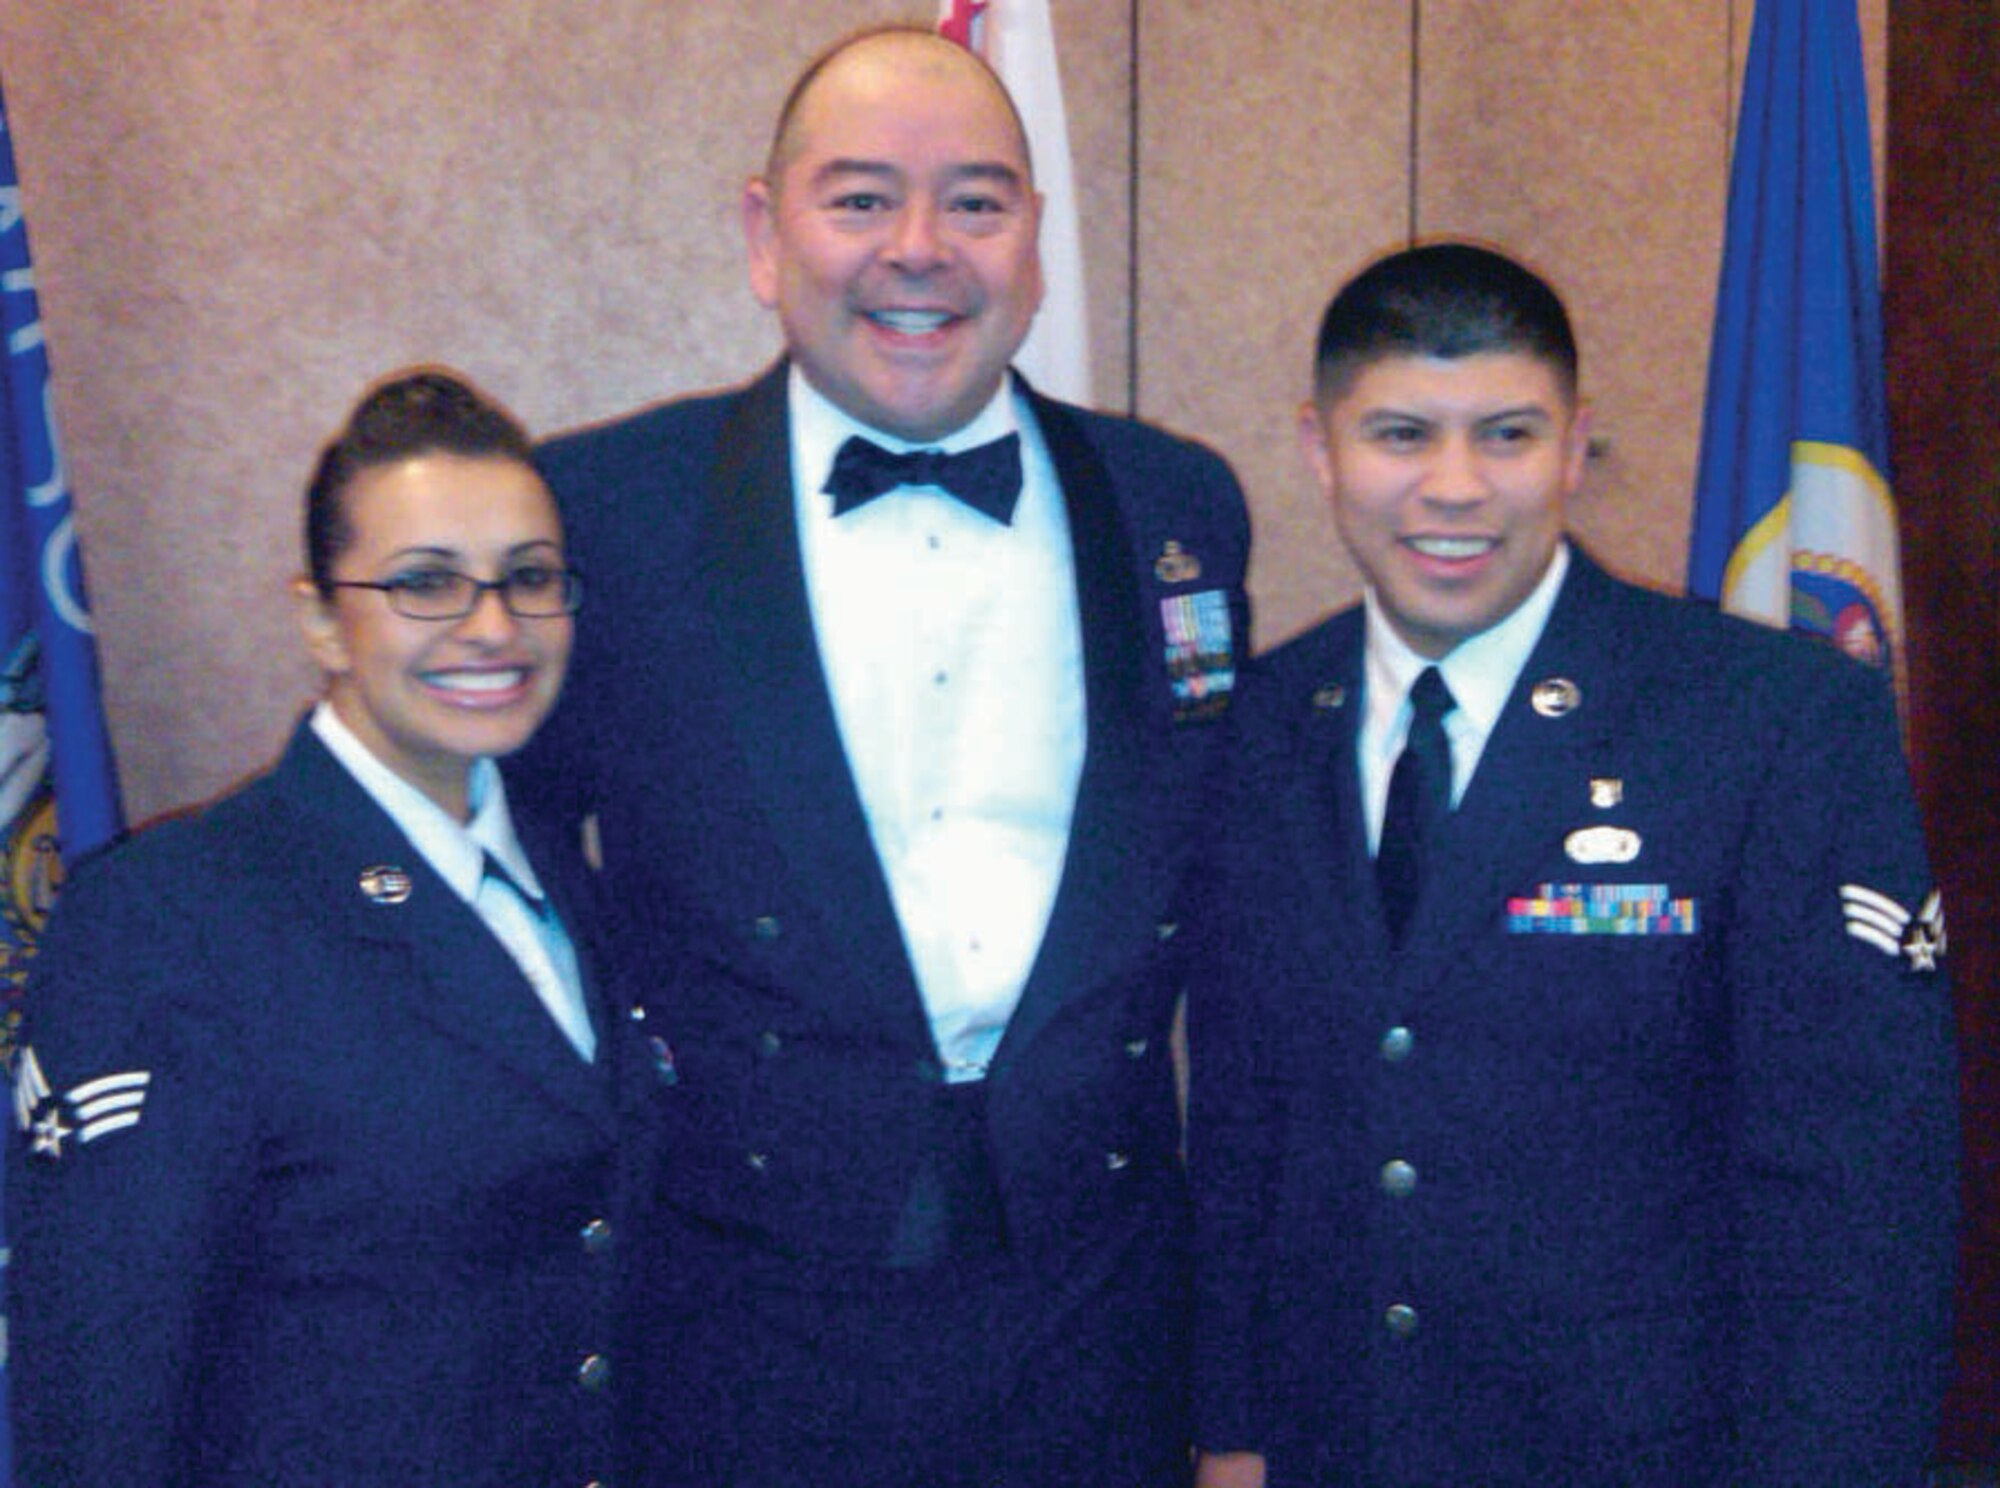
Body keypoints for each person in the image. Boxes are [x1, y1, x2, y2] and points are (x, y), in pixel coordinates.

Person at [517, 24, 1250, 1488]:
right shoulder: (603, 512)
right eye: (859, 200)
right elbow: (526, 894)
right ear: (763, 231)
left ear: (1034, 238)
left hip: (1096, 1318)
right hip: (740, 1322)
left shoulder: (1178, 504)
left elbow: (1222, 909)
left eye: (975, 202)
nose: (919, 250)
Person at [1186, 242, 1958, 1486]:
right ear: (1319, 448)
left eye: (1505, 435)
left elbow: (1861, 1199)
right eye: (1398, 435)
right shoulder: (1268, 720)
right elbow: (1240, 1131)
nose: (1452, 488)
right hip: (1341, 1446)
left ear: (1573, 443)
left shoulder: (1766, 721)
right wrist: (1231, 1432)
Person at [5, 370, 659, 1485]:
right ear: (321, 617)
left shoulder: (565, 862)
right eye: (425, 583)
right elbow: (100, 1376)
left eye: (528, 578)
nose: (491, 625)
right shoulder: (174, 916)